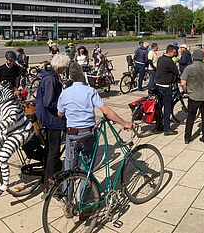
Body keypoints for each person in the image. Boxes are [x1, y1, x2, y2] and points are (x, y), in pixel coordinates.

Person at [58, 63, 133, 172]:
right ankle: (87, 186)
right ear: (82, 75)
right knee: (87, 166)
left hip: (72, 133)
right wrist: (124, 122)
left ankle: (67, 184)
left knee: (69, 166)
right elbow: (106, 111)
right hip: (87, 133)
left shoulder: (64, 93)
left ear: (70, 77)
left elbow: (60, 114)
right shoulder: (90, 91)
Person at [36, 54, 68, 184]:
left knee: (50, 150)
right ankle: (49, 182)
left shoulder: (50, 76)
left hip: (49, 118)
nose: (65, 69)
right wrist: (62, 108)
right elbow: (49, 102)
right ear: (60, 67)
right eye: (65, 67)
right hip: (52, 120)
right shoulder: (50, 79)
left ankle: (47, 176)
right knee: (53, 152)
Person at [180, 49, 204, 144]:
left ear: (193, 57)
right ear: (202, 57)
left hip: (193, 96)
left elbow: (182, 83)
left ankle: (187, 138)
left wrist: (187, 91)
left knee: (190, 117)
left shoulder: (189, 68)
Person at [153, 44, 180, 135]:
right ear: (170, 52)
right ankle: (167, 129)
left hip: (158, 85)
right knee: (167, 108)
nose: (175, 54)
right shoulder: (169, 61)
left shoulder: (160, 58)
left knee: (159, 107)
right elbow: (176, 71)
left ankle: (158, 126)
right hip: (166, 86)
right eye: (174, 52)